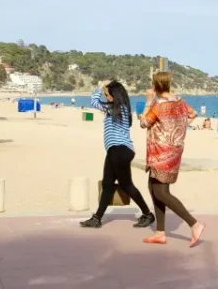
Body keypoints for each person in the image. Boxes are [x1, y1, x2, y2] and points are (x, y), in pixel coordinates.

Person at [140, 71, 205, 247]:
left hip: (160, 152)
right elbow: (193, 114)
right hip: (174, 149)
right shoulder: (180, 101)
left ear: (156, 86)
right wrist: (178, 129)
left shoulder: (158, 105)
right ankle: (160, 232)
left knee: (161, 192)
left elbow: (144, 123)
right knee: (153, 187)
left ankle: (194, 224)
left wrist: (148, 101)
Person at [80, 81, 154, 229]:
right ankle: (96, 218)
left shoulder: (116, 107)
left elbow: (94, 102)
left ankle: (147, 214)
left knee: (126, 184)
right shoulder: (119, 108)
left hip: (120, 150)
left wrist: (99, 87)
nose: (106, 97)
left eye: (107, 95)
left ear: (115, 95)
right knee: (107, 185)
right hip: (115, 150)